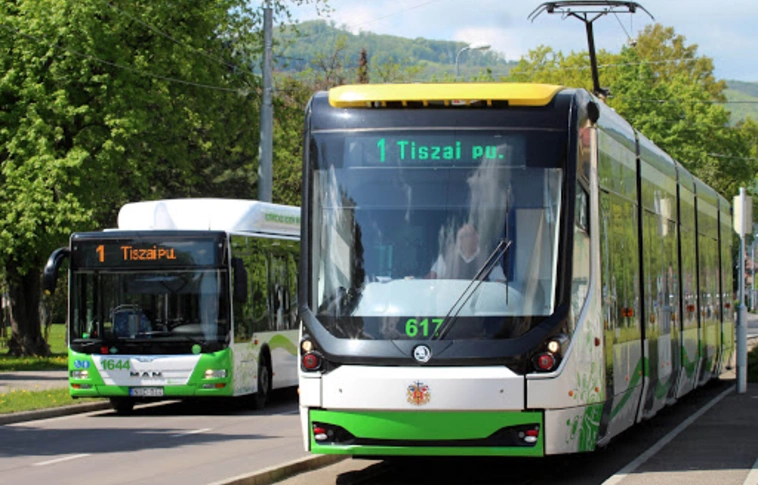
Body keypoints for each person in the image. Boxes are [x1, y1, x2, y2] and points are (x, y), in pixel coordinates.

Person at [427, 223, 506, 281]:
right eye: (460, 237)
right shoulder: (446, 258)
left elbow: (501, 284)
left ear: (476, 237)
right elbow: (430, 279)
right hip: (453, 299)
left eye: (466, 235)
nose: (462, 239)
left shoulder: (489, 259)